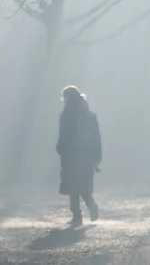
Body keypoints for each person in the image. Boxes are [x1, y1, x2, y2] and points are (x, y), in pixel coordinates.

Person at [56, 85, 102, 227]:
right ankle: (91, 203)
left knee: (72, 185)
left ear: (67, 97)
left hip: (71, 154)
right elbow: (96, 137)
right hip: (87, 154)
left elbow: (64, 134)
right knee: (84, 184)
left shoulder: (68, 113)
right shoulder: (88, 114)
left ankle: (77, 215)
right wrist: (96, 156)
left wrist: (60, 148)